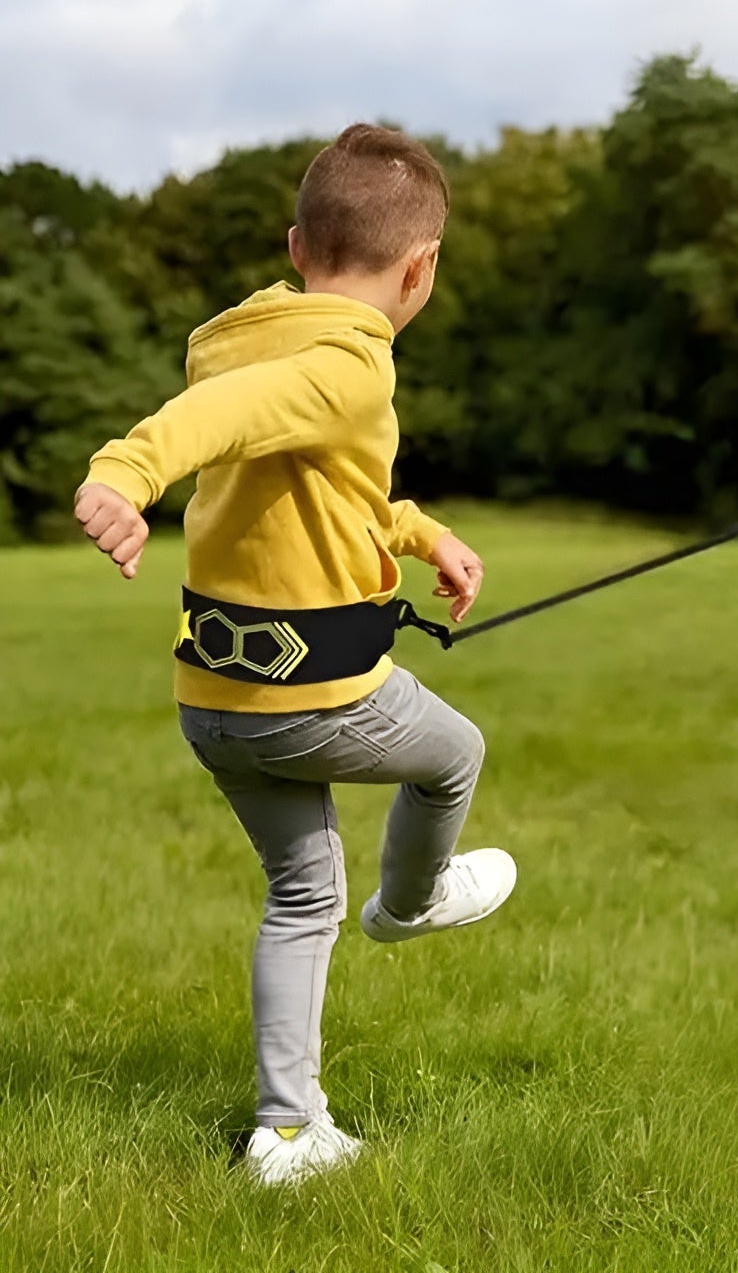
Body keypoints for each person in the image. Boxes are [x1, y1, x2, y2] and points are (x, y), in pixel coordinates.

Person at [73, 123, 516, 1186]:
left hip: (213, 706)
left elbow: (325, 485)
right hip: (311, 701)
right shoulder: (348, 367)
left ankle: (285, 1134)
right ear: (422, 270)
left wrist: (419, 533)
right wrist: (127, 471)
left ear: (293, 244)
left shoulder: (257, 337)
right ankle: (413, 903)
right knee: (455, 750)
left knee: (301, 894)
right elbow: (221, 415)